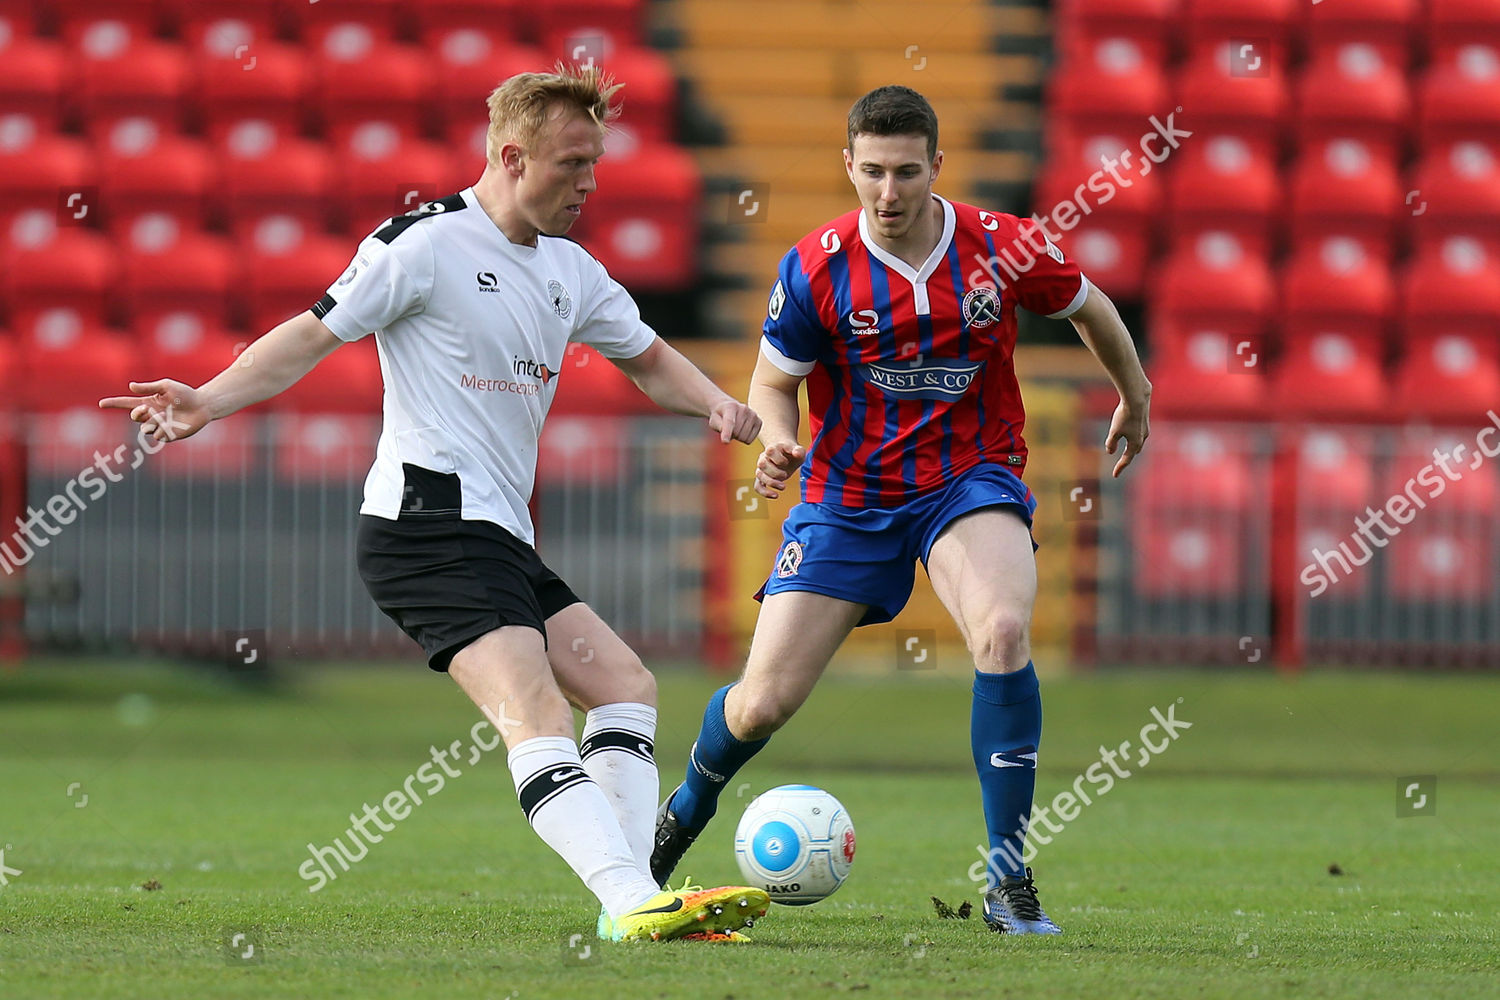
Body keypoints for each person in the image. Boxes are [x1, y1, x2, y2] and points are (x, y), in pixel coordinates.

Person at [100, 65, 770, 944]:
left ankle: (635, 897)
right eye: (572, 163)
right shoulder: (422, 244)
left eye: (596, 163)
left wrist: (716, 403)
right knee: (535, 714)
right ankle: (630, 902)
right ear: (510, 154)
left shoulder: (572, 269)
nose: (591, 183)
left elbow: (647, 358)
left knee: (623, 688)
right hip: (426, 526)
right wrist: (208, 400)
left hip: (496, 535)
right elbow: (312, 333)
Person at [651, 85, 1152, 935]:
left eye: (907, 173)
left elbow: (1090, 306)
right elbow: (775, 381)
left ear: (937, 168)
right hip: (848, 496)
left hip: (969, 478)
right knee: (759, 705)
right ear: (848, 165)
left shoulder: (1003, 246)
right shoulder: (816, 264)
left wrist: (1134, 395)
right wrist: (778, 437)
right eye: (873, 172)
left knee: (1000, 631)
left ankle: (1008, 880)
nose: (889, 193)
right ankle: (681, 813)